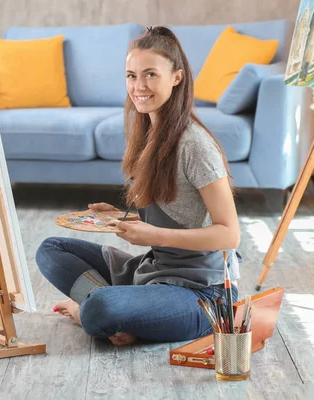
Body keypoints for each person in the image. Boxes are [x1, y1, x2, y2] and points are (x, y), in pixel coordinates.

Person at [35, 26, 242, 346]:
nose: (139, 86)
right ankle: (128, 312)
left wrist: (152, 235)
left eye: (150, 75)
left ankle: (99, 309)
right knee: (51, 250)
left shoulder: (196, 146)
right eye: (131, 76)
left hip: (202, 293)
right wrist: (123, 217)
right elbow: (174, 212)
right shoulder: (147, 136)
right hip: (153, 271)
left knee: (97, 310)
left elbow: (230, 234)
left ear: (177, 77)